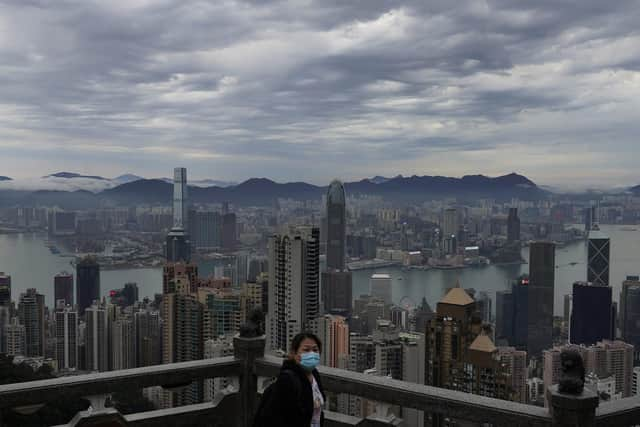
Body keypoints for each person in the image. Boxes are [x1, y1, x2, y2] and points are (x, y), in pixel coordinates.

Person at [254, 332, 326, 427]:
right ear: (294, 353)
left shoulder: (314, 374)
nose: (311, 354)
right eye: (306, 350)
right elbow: (279, 419)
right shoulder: (287, 380)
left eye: (315, 350)